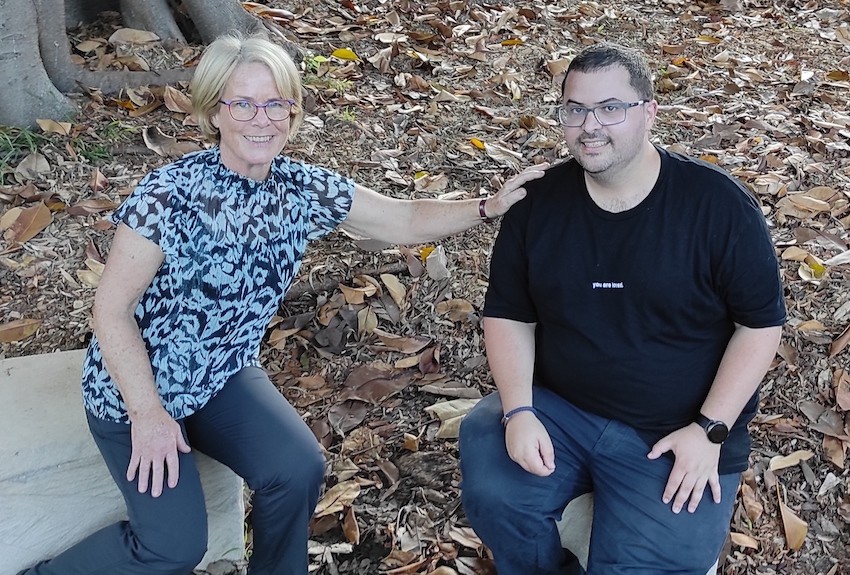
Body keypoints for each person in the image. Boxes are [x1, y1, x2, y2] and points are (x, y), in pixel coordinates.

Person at [18, 33, 545, 575]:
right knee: (172, 548)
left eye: (276, 103)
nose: (261, 119)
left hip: (220, 377)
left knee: (296, 467)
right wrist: (148, 414)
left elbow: (402, 218)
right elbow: (111, 312)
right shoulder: (167, 196)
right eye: (242, 103)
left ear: (292, 111)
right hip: (137, 394)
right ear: (213, 111)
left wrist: (488, 205)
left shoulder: (299, 190)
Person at [458, 42, 785, 575]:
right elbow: (509, 314)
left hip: (673, 430)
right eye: (575, 109)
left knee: (649, 566)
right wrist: (519, 410)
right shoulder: (538, 202)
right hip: (562, 408)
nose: (591, 126)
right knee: (497, 487)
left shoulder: (717, 206)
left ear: (649, 112)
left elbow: (760, 324)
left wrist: (711, 430)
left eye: (612, 108)